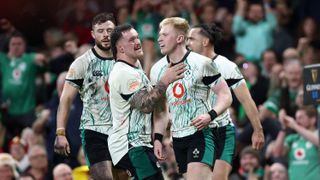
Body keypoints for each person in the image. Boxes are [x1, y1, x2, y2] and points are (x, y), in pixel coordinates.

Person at [150, 17, 232, 180]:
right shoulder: (156, 69)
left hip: (202, 133)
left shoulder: (201, 63)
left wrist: (210, 115)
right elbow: (160, 109)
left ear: (180, 38)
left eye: (165, 34)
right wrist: (158, 138)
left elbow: (225, 94)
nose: (159, 38)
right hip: (177, 138)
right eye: (159, 34)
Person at [186, 23, 265, 179]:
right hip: (197, 132)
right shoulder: (186, 66)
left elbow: (246, 100)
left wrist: (258, 130)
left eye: (191, 39)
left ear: (205, 42)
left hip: (222, 130)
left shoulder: (226, 66)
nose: (187, 43)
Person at [108, 23, 185, 180]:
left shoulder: (134, 68)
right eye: (131, 40)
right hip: (130, 145)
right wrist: (165, 80)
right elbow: (145, 105)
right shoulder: (123, 73)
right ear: (121, 49)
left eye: (137, 37)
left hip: (139, 144)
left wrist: (156, 138)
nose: (137, 42)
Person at [54, 13, 125, 180]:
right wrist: (60, 133)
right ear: (93, 34)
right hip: (94, 130)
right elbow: (66, 99)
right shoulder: (82, 63)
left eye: (109, 30)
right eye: (100, 31)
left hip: (122, 130)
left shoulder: (127, 59)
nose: (106, 35)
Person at [0, 32, 46, 138]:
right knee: (8, 142)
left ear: (25, 46)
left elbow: (44, 67)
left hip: (27, 109)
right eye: (13, 44)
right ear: (8, 46)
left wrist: (43, 61)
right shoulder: (3, 59)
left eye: (19, 44)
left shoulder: (30, 59)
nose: (16, 47)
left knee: (31, 138)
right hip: (8, 109)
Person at [273, 106, 320, 180]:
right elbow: (277, 153)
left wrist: (295, 126)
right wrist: (283, 128)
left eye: (301, 117)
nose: (297, 121)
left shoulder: (316, 135)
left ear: (312, 119)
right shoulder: (293, 138)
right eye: (296, 118)